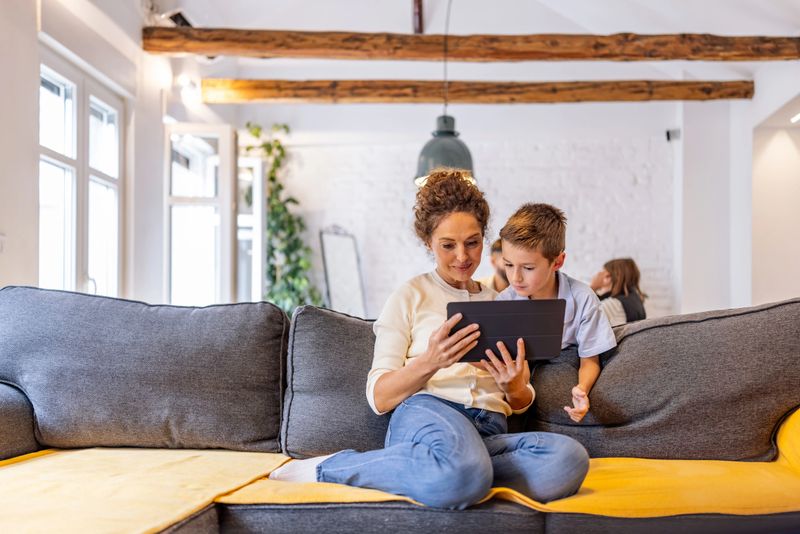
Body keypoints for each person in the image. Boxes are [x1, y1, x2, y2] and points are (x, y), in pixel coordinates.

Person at [269, 169, 589, 509]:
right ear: (428, 243)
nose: (463, 257)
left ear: (485, 238)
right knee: (464, 469)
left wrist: (513, 385)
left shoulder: (502, 304)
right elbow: (378, 397)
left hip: (489, 429)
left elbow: (520, 402)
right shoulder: (410, 296)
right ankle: (330, 468)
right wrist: (431, 361)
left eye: (473, 242)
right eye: (448, 245)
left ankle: (453, 473)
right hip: (429, 414)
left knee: (568, 459)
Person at [496, 203, 617, 424]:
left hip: (565, 359)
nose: (515, 278)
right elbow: (516, 363)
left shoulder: (582, 298)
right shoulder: (505, 302)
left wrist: (582, 388)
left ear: (557, 262)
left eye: (528, 268)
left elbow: (590, 359)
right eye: (508, 265)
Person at [590, 258, 647, 327]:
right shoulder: (635, 299)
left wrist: (592, 287)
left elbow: (582, 323)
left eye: (603, 272)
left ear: (608, 277)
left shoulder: (614, 304)